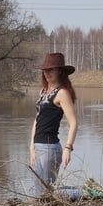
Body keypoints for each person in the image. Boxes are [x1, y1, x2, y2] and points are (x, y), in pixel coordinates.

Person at [29, 52, 78, 197]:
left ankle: (85, 192)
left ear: (60, 71)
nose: (47, 73)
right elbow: (37, 120)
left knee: (46, 193)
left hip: (50, 149)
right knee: (39, 192)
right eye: (45, 70)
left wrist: (68, 148)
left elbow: (74, 123)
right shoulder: (43, 92)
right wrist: (31, 147)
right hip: (38, 147)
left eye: (51, 70)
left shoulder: (62, 93)